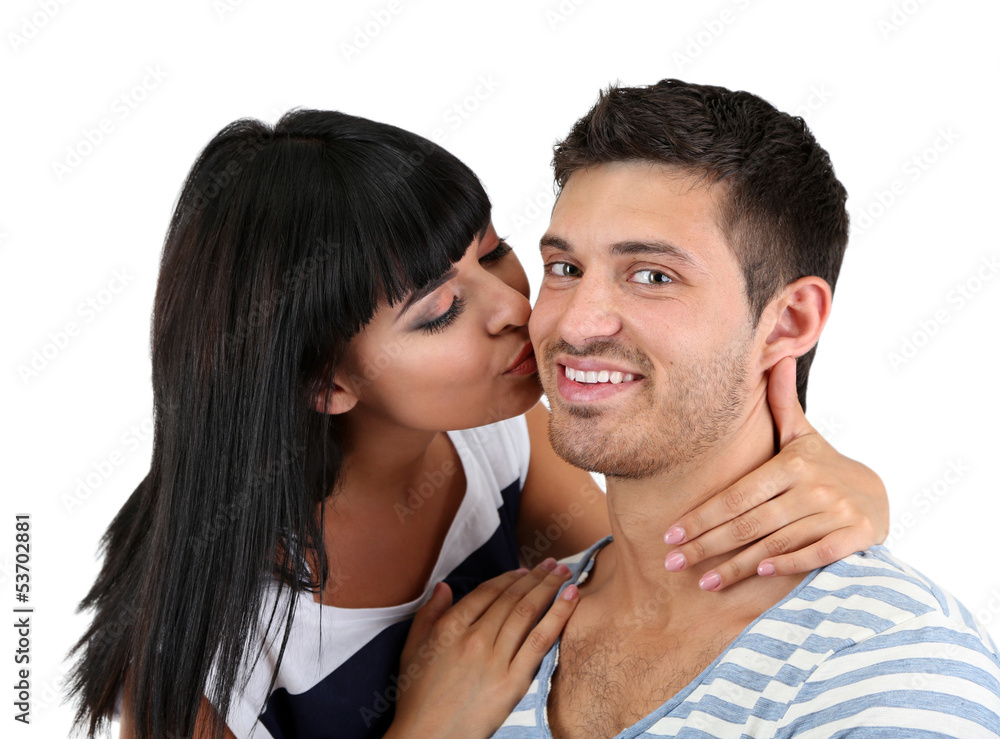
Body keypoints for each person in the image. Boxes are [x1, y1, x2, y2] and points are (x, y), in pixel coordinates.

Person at [66, 109, 890, 739]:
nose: (521, 310)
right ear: (328, 380)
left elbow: (652, 583)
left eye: (495, 252)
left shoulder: (496, 441)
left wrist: (846, 501)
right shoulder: (197, 647)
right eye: (440, 310)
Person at [488, 79, 1000, 738]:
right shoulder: (497, 643)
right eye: (563, 267)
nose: (578, 323)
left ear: (789, 320)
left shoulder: (889, 664)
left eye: (652, 276)